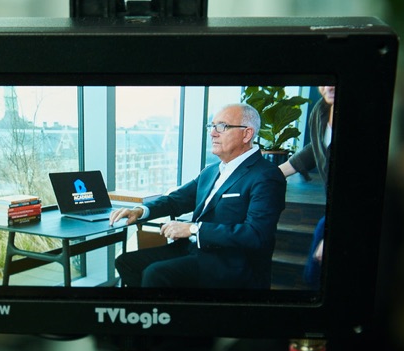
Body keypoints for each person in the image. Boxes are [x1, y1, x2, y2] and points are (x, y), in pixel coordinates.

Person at [109, 103, 286, 288]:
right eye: (212, 126)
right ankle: (149, 315)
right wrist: (140, 211)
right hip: (194, 249)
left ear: (247, 134)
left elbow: (256, 234)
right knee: (126, 262)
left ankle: (160, 315)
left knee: (156, 274)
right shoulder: (210, 172)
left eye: (222, 126)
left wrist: (193, 229)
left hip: (230, 262)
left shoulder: (266, 176)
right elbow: (175, 200)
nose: (212, 133)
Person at [278, 85, 335, 285]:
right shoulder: (320, 111)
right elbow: (317, 147)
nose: (329, 86)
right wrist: (276, 173)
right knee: (312, 277)